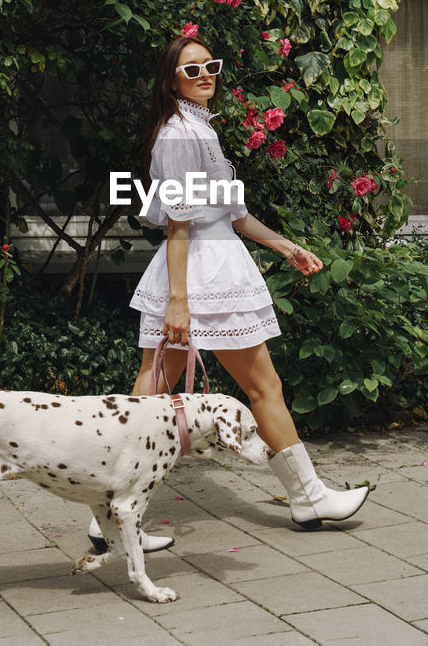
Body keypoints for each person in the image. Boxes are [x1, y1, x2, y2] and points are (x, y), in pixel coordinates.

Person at [87, 34, 369, 553]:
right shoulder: (179, 135)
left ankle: (107, 513)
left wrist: (286, 246)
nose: (204, 76)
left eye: (210, 66)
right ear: (171, 79)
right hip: (201, 275)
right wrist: (178, 300)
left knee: (151, 394)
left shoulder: (198, 130)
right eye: (191, 70)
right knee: (257, 387)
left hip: (210, 267)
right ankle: (307, 497)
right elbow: (177, 223)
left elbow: (233, 215)